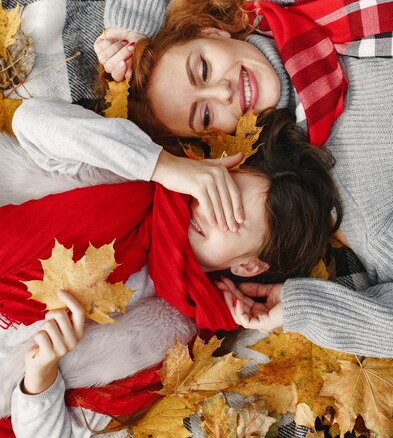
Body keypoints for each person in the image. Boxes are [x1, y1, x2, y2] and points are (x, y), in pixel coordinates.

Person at [7, 0, 393, 358]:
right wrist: (304, 310)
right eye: (204, 116)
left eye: (202, 68)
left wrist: (130, 24)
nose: (222, 93)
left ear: (214, 33)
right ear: (223, 141)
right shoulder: (355, 189)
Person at [0, 114, 342, 438]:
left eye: (233, 216)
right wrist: (163, 165)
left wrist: (41, 375)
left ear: (249, 266)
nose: (209, 209)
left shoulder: (175, 346)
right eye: (221, 190)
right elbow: (30, 121)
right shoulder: (130, 172)